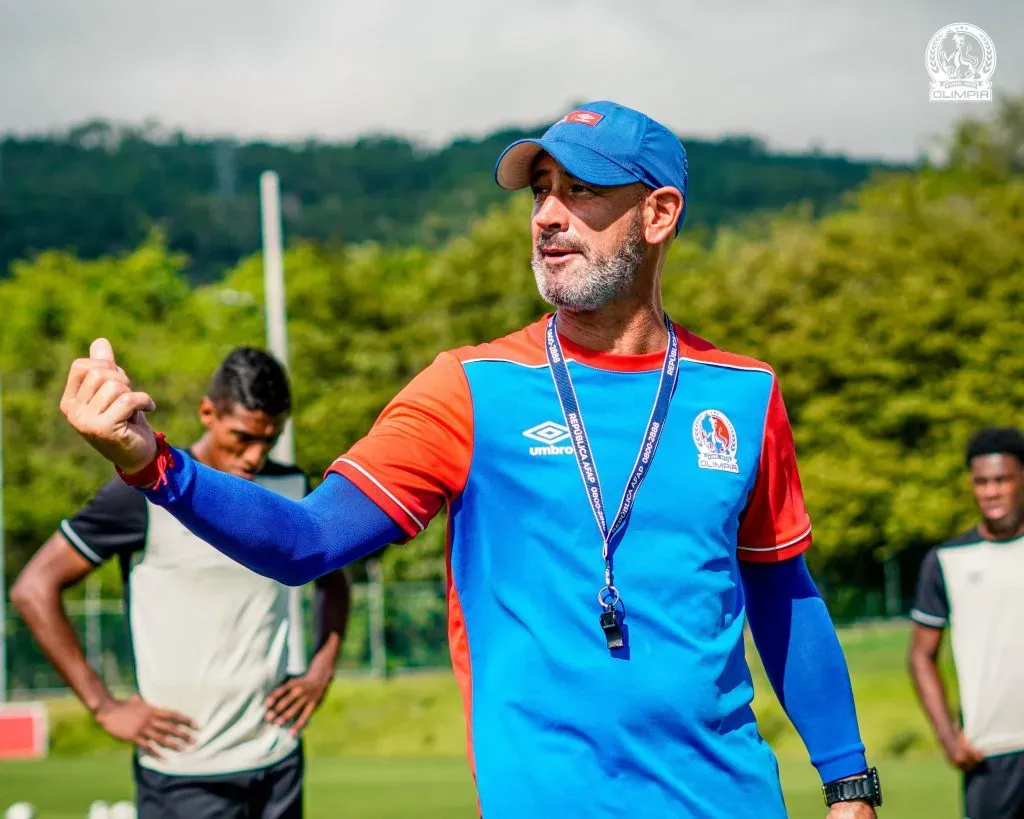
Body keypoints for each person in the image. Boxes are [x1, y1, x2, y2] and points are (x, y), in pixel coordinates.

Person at [57, 101, 882, 818]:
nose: (548, 215)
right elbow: (307, 541)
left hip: (730, 799)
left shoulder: (744, 393)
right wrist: (152, 462)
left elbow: (783, 588)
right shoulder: (469, 387)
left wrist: (848, 779)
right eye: (540, 191)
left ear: (659, 212)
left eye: (581, 189)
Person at [13, 347, 351, 819]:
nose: (255, 456)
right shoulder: (145, 489)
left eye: (269, 440)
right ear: (208, 413)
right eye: (243, 438)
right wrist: (104, 706)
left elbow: (334, 578)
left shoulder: (293, 487)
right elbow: (34, 588)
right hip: (182, 769)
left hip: (277, 759)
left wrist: (321, 670)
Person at [909, 427, 1024, 819]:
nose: (991, 491)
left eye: (1002, 480)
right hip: (989, 753)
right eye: (982, 482)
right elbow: (921, 656)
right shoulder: (946, 561)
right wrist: (947, 737)